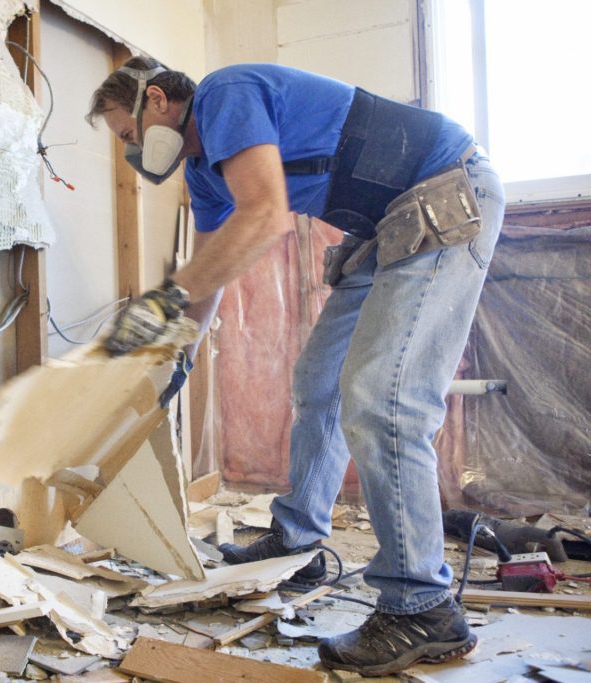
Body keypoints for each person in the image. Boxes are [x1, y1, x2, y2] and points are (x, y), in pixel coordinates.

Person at [85, 57, 504, 677]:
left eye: (127, 136)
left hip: (444, 189)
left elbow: (262, 215)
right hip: (386, 224)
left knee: (381, 398)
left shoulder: (225, 93)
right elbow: (211, 276)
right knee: (318, 382)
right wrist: (179, 352)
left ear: (156, 101)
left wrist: (160, 304)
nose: (131, 153)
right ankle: (300, 538)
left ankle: (422, 606)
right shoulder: (204, 171)